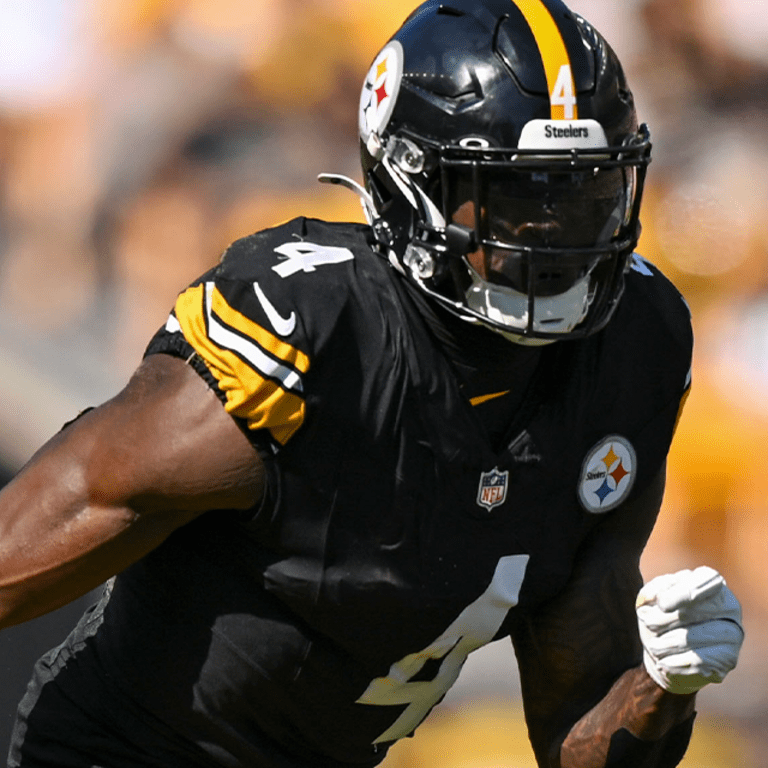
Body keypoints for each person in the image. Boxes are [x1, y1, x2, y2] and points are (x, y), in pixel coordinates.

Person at [0, 1, 744, 767]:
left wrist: (661, 684)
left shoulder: (634, 345)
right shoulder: (318, 333)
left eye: (583, 193)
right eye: (520, 199)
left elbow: (578, 736)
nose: (559, 239)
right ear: (411, 184)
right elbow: (57, 515)